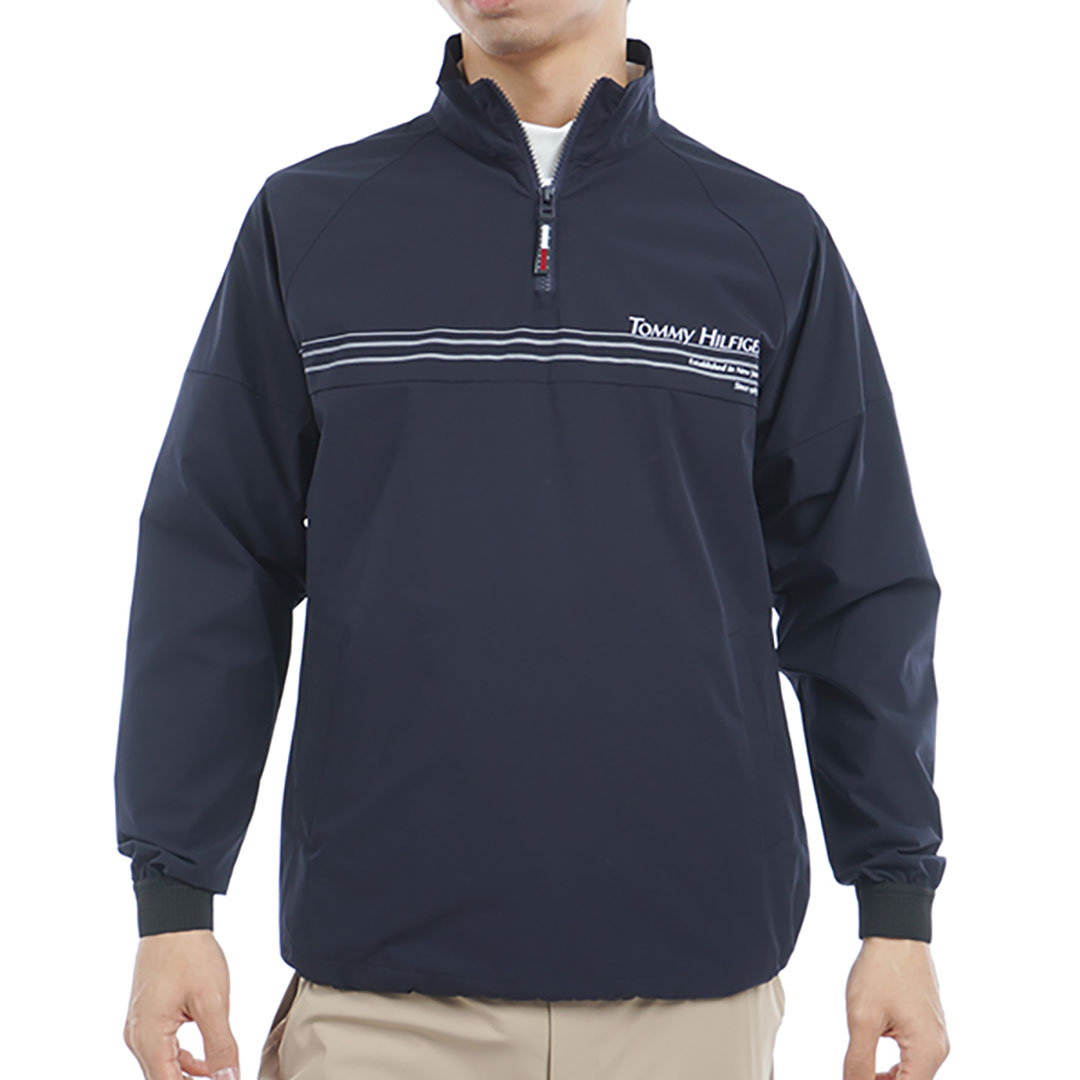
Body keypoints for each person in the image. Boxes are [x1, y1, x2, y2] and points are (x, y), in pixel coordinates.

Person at [114, 1, 951, 1077]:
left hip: (693, 992)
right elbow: (214, 561)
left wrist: (896, 911)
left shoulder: (765, 237)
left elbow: (860, 586)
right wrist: (174, 899)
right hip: (384, 1000)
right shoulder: (313, 218)